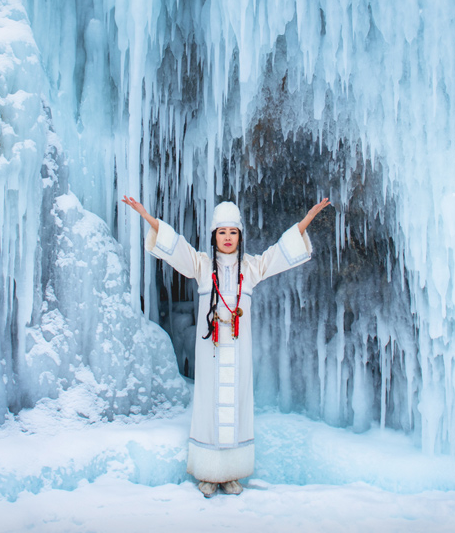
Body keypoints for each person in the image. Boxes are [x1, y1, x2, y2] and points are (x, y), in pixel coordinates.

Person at [121, 194, 332, 497]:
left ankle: (231, 472)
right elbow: (176, 247)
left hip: (239, 350)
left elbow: (280, 253)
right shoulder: (203, 265)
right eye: (222, 232)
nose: (228, 238)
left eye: (233, 232)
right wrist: (147, 216)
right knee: (209, 404)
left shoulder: (251, 267)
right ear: (214, 236)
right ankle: (208, 473)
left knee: (237, 404)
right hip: (211, 350)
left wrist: (307, 219)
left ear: (240, 236)